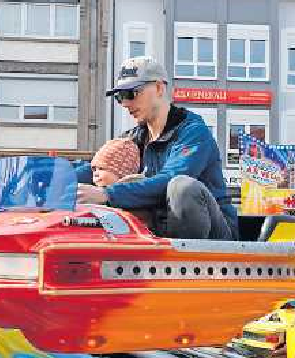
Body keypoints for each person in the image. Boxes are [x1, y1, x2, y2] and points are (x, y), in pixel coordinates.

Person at [76, 56, 238, 240]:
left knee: (181, 187)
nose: (125, 104)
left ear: (159, 88)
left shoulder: (193, 133)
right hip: (160, 232)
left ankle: (187, 259)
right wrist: (54, 178)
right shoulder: (133, 139)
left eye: (132, 93)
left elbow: (169, 179)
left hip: (214, 235)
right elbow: (97, 166)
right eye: (120, 97)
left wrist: (106, 194)